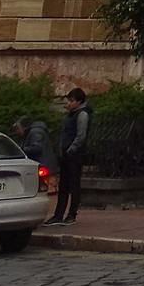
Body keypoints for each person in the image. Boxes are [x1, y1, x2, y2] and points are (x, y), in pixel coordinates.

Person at [48, 88, 90, 224]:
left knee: (74, 184)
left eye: (72, 101)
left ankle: (72, 214)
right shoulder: (71, 114)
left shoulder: (82, 114)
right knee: (63, 185)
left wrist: (71, 149)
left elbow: (81, 136)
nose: (69, 104)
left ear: (79, 101)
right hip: (66, 154)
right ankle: (58, 214)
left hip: (74, 154)